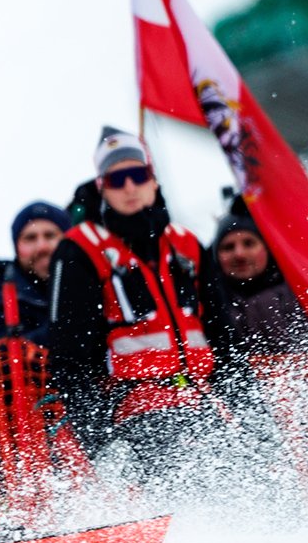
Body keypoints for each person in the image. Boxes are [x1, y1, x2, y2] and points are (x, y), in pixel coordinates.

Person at [46, 127, 238, 484]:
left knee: (248, 471)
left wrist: (250, 411)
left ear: (153, 179)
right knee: (187, 481)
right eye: (117, 179)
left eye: (138, 174)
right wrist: (99, 441)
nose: (130, 187)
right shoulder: (80, 249)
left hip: (203, 400)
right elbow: (69, 358)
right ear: (102, 186)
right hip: (137, 409)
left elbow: (225, 339)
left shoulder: (186, 243)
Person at [212, 197, 308, 358]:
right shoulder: (213, 301)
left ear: (268, 247)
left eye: (249, 243)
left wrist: (284, 199)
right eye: (228, 247)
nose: (239, 254)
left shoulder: (303, 279)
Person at [0, 202, 71, 346]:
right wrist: (68, 327)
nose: (42, 247)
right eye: (30, 238)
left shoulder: (92, 283)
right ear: (16, 247)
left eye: (50, 235)